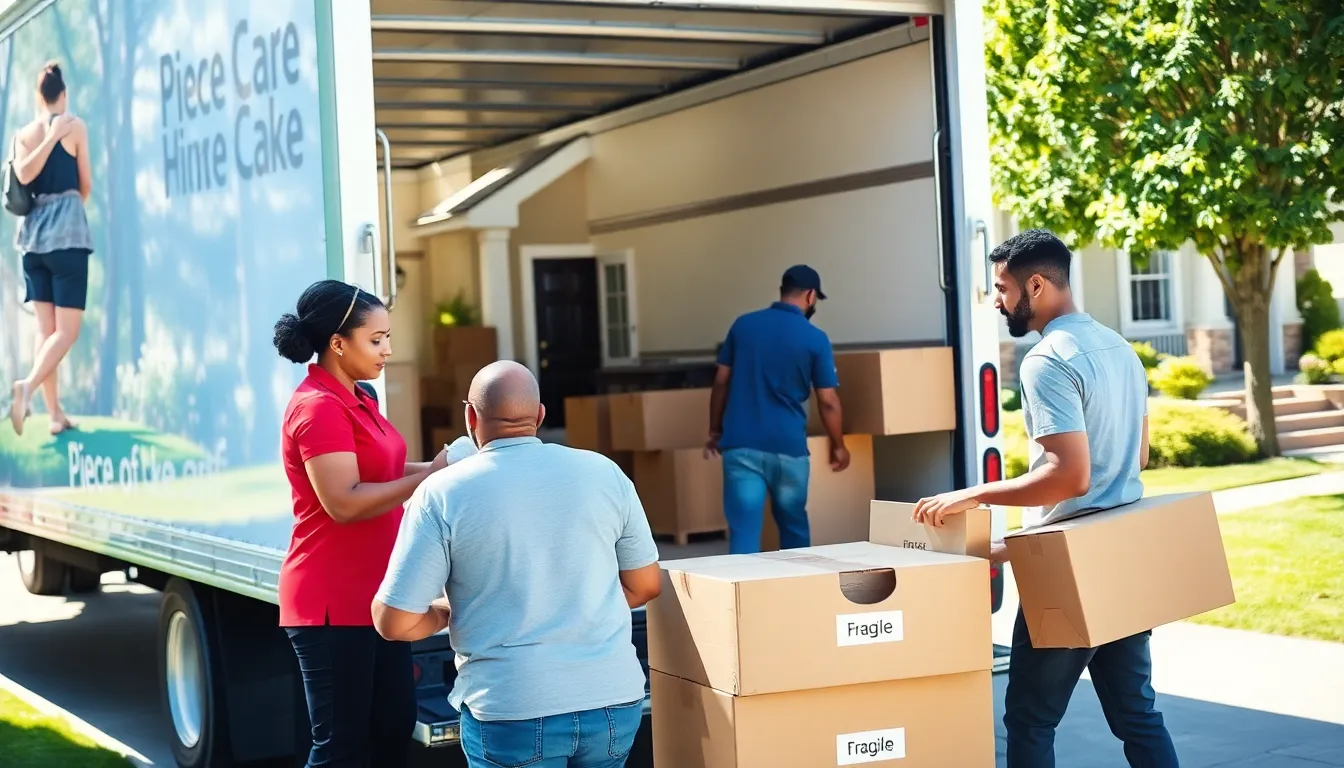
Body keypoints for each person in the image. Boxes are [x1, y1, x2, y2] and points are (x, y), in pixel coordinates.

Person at [911, 229, 1177, 768]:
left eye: (1003, 289)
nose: (999, 302)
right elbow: (1139, 457)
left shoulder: (1048, 360)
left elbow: (1070, 477)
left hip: (1068, 573)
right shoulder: (1120, 348)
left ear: (1036, 284)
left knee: (1030, 722)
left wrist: (972, 494)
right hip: (1121, 559)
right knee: (1138, 718)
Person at [372, 360, 662, 768]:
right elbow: (647, 585)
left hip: (512, 706)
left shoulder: (442, 492)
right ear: (540, 416)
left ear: (470, 416)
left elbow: (394, 621)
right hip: (613, 702)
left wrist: (448, 613)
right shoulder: (605, 472)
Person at [273, 279, 452, 768]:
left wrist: (444, 469)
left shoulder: (360, 396)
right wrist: (430, 478)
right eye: (376, 340)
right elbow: (345, 502)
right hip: (332, 603)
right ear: (337, 343)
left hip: (378, 596)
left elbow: (385, 471)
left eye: (387, 337)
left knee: (393, 731)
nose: (387, 350)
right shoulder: (317, 408)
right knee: (342, 750)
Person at [705, 264, 850, 554]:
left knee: (744, 532)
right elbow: (828, 401)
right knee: (793, 528)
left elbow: (721, 382)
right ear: (810, 296)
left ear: (783, 291)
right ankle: (798, 594)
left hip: (741, 446)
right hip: (788, 450)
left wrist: (715, 429)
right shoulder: (815, 338)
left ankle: (741, 596)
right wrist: (839, 445)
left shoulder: (743, 325)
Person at [9, 61, 93, 436]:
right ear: (63, 94)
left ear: (38, 96)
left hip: (32, 243)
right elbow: (85, 185)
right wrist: (56, 136)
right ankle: (26, 387)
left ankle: (55, 414)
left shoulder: (22, 134)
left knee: (47, 333)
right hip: (67, 239)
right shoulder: (74, 127)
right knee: (67, 333)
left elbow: (25, 179)